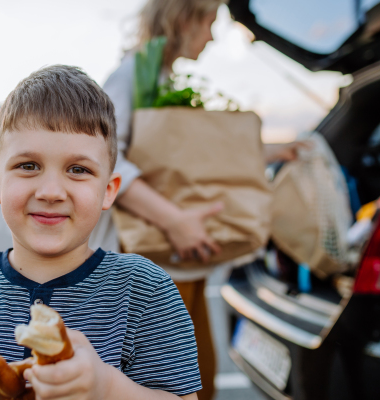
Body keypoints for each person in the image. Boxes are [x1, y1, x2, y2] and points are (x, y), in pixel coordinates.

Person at [0, 65, 203, 400]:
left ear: (109, 190)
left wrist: (108, 388)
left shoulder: (145, 290)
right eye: (28, 166)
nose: (51, 191)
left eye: (78, 170)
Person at [89, 1, 308, 399]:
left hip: (183, 263)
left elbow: (188, 162)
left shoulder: (163, 78)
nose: (211, 35)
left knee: (198, 376)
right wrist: (174, 220)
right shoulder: (131, 75)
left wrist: (272, 152)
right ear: (181, 17)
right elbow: (104, 158)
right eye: (208, 21)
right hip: (152, 263)